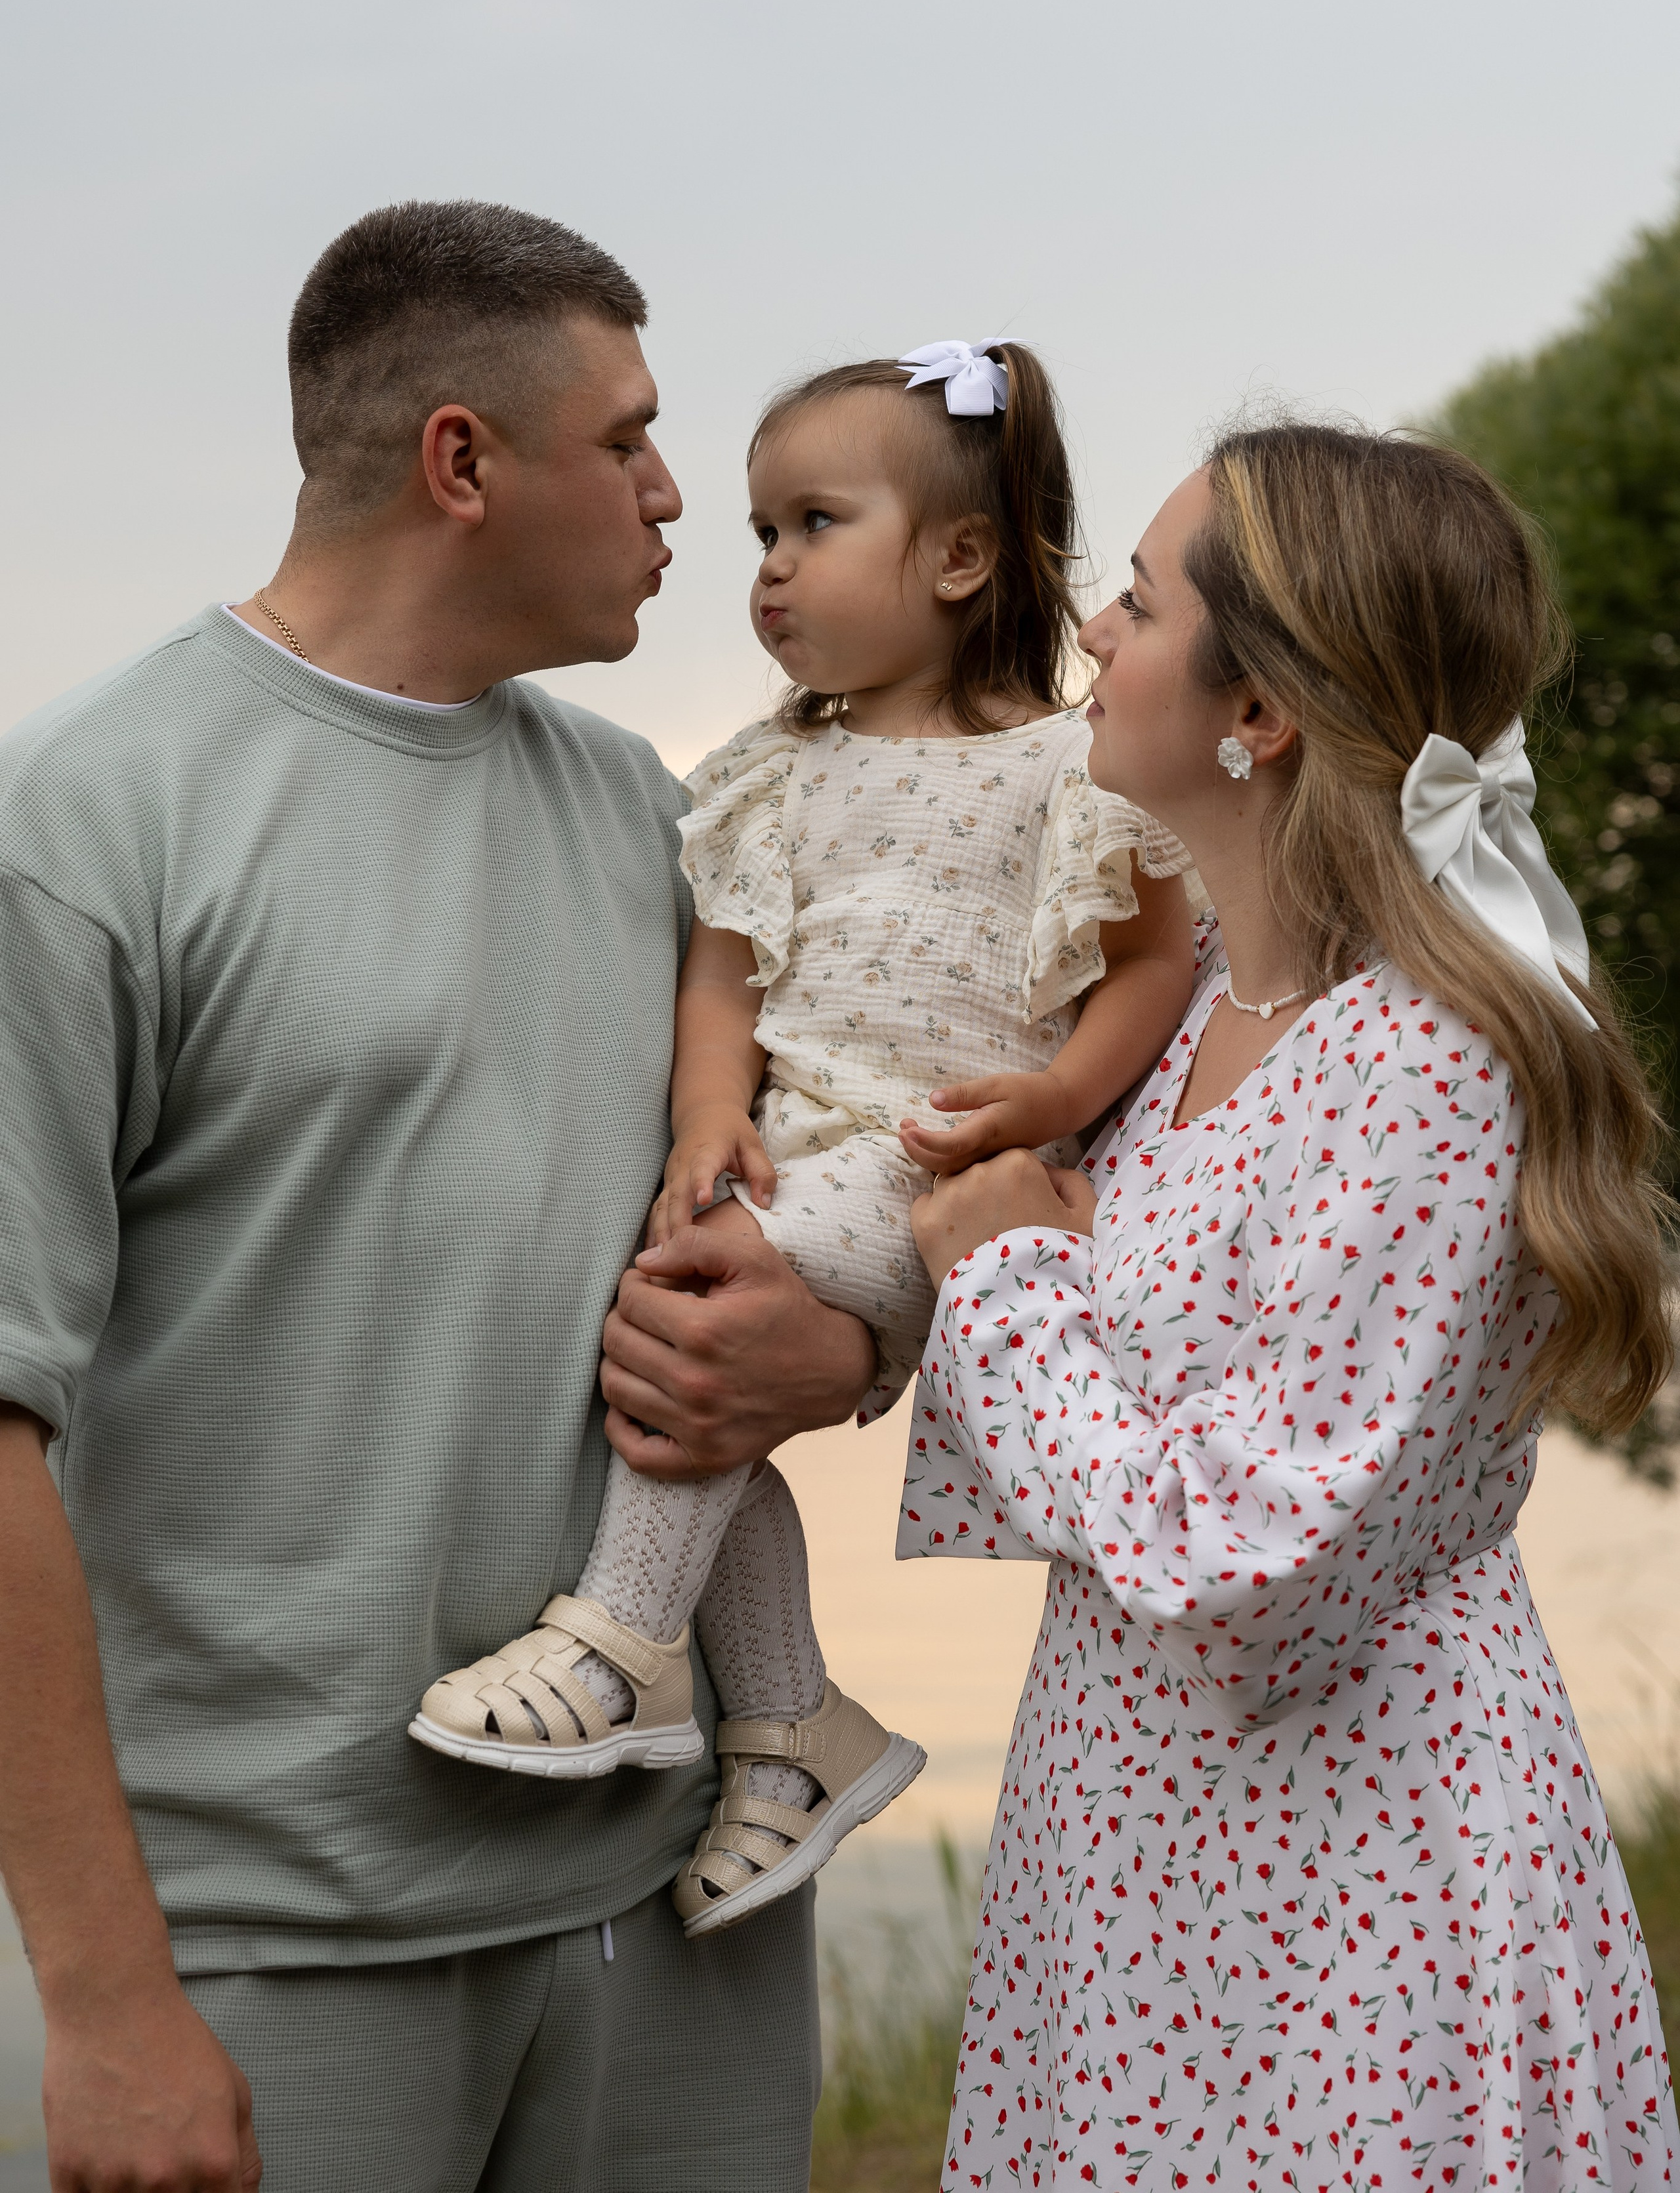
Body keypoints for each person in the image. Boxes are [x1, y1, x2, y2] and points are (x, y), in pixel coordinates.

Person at [0, 200, 884, 2193]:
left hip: (685, 1926)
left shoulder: (663, 821)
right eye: (631, 441)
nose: (682, 501)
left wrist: (822, 1353)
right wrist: (110, 2001)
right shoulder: (83, 825)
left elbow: (837, 1212)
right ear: (462, 461)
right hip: (264, 1958)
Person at [904, 423, 1679, 2190]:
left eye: (1142, 598)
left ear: (1256, 713)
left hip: (1356, 1904)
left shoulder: (1429, 1057)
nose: (1093, 632)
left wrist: (1014, 1283)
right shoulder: (1206, 1025)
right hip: (1146, 1889)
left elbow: (1256, 1578)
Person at [411, 338, 1198, 1939]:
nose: (765, 570)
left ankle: (623, 1644)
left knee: (695, 1316)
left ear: (959, 558)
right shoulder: (770, 772)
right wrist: (710, 1109)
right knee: (718, 1406)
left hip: (934, 1174)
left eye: (812, 526)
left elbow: (1150, 968)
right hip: (795, 1152)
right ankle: (790, 1736)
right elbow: (726, 971)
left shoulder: (1066, 766)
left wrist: (1049, 1102)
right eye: (763, 535)